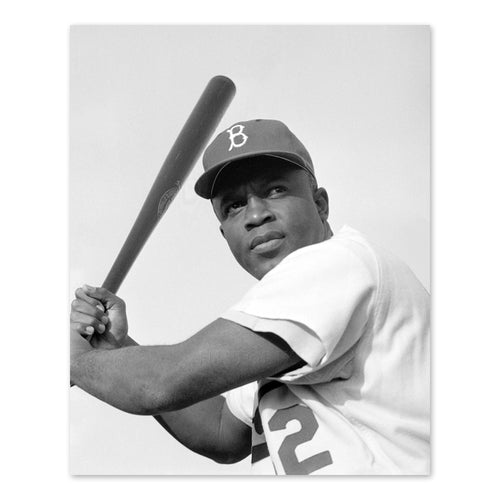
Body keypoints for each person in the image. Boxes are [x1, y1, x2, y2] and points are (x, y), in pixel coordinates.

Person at [70, 119, 430, 475]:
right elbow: (222, 430)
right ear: (223, 233)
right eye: (234, 205)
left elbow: (161, 383)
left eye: (275, 190)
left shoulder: (337, 264)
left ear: (320, 204)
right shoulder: (280, 317)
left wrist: (73, 359)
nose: (256, 214)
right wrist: (113, 349)